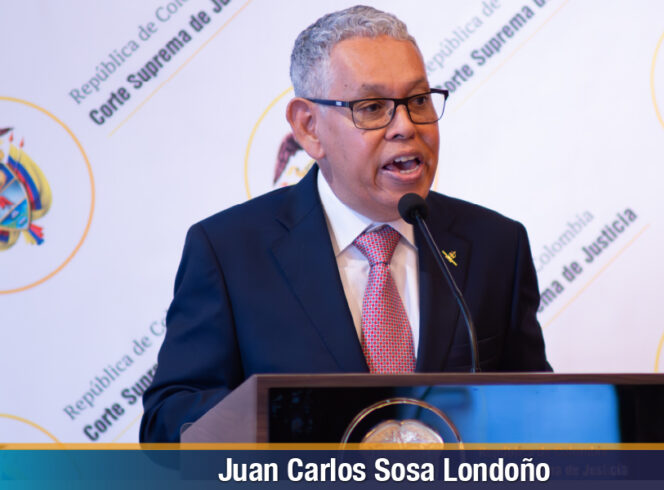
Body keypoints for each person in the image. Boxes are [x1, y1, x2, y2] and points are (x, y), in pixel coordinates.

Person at [140, 5, 550, 443]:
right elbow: (167, 422)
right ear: (309, 128)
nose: (405, 127)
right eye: (372, 108)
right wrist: (291, 420)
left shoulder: (495, 244)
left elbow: (538, 408)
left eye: (418, 101)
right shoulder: (229, 252)